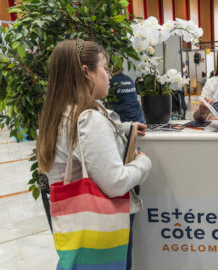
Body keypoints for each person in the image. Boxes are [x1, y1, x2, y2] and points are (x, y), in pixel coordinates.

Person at [36, 39, 152, 270]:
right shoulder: (88, 118)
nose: (108, 75)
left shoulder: (56, 114)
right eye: (104, 67)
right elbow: (116, 183)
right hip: (101, 231)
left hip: (76, 227)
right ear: (86, 72)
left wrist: (123, 129)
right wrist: (143, 163)